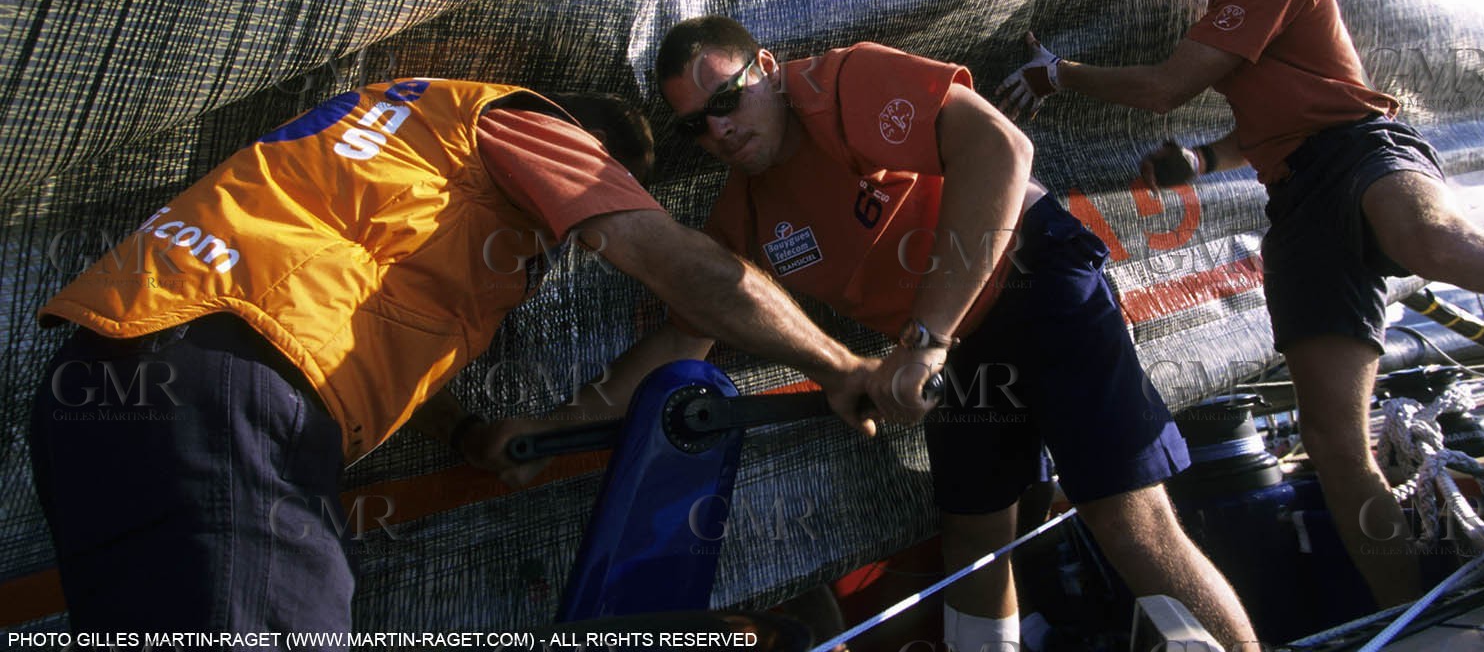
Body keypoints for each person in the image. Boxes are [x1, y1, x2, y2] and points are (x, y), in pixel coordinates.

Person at [28, 78, 878, 632]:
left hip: (105, 380)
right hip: (230, 390)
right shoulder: (524, 125)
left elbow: (364, 312)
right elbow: (673, 260)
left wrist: (470, 431)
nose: (568, 250)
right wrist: (841, 366)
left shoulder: (406, 138)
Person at [995, 0, 1484, 606]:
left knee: (1435, 243)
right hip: (1298, 200)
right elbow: (1274, 118)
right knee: (1333, 441)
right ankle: (1404, 609)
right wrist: (1204, 156)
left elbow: (1165, 87)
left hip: (1361, 150)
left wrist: (1059, 74)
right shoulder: (1227, 6)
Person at [652, 16, 1259, 652]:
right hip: (951, 342)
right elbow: (691, 325)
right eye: (696, 124)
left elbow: (1001, 147)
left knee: (1125, 514)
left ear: (768, 70)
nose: (717, 129)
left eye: (726, 99)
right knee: (973, 541)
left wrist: (925, 340)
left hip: (1033, 277)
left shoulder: (840, 82)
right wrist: (554, 429)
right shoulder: (743, 207)